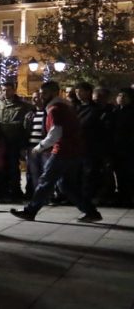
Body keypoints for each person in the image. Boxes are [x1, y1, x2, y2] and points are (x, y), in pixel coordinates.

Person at [11, 81, 102, 223]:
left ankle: (30, 211)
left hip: (63, 151)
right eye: (41, 93)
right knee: (66, 185)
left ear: (54, 93)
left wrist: (39, 147)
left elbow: (56, 133)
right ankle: (91, 212)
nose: (41, 97)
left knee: (46, 180)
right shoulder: (64, 107)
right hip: (73, 151)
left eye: (44, 93)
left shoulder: (55, 109)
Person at [0, 81, 32, 200]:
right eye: (3, 90)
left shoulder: (23, 106)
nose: (5, 92)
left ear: (14, 90)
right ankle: (1, 191)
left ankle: (15, 191)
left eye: (8, 90)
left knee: (13, 167)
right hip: (0, 141)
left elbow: (26, 124)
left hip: (15, 141)